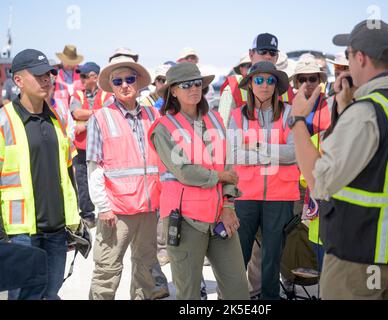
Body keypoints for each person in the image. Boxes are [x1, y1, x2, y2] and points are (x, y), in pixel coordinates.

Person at [291, 20, 388, 300]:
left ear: (361, 57)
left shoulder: (367, 111)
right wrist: (344, 110)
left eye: (348, 56)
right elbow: (380, 167)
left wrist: (297, 121)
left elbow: (320, 181)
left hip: (355, 257)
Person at [149, 62, 249, 300]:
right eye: (186, 85)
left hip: (219, 217)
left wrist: (228, 204)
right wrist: (218, 177)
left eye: (197, 84)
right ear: (173, 90)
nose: (194, 89)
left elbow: (228, 165)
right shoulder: (162, 128)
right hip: (185, 221)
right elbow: (184, 171)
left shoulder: (214, 120)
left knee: (238, 291)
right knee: (189, 294)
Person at [3, 49, 80, 300]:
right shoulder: (4, 121)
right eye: (38, 76)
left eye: (48, 74)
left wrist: (75, 221)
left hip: (56, 231)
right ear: (19, 81)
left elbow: (68, 171)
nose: (46, 80)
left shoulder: (56, 118)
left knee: (51, 293)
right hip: (20, 233)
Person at [87, 53, 161, 300]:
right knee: (107, 271)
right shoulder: (101, 117)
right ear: (111, 86)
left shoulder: (153, 116)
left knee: (145, 270)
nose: (125, 85)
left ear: (139, 83)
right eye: (117, 82)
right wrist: (103, 207)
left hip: (149, 208)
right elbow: (95, 167)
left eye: (129, 79)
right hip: (115, 212)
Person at [228, 61, 300, 300]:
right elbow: (234, 153)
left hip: (280, 196)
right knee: (238, 255)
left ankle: (270, 299)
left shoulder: (289, 112)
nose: (265, 85)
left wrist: (258, 146)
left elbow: (296, 152)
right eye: (259, 80)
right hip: (245, 195)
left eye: (271, 80)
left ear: (277, 86)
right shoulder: (238, 115)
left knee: (272, 258)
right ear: (250, 84)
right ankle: (235, 300)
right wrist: (275, 151)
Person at [219, 33, 295, 127]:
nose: (268, 56)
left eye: (272, 53)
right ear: (251, 54)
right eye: (263, 51)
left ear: (277, 57)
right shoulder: (232, 89)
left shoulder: (287, 89)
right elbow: (222, 132)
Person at [70, 62, 113, 228]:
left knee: (103, 179)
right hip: (81, 147)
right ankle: (87, 215)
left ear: (94, 77)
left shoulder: (106, 95)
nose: (80, 79)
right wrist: (98, 113)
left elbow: (108, 113)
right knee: (82, 182)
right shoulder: (77, 95)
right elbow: (76, 112)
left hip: (101, 146)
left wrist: (86, 123)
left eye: (83, 76)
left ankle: (107, 210)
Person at [290, 60, 331, 135]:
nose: (308, 83)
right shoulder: (288, 105)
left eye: (312, 79)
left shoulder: (330, 103)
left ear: (319, 81)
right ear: (297, 83)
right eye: (303, 80)